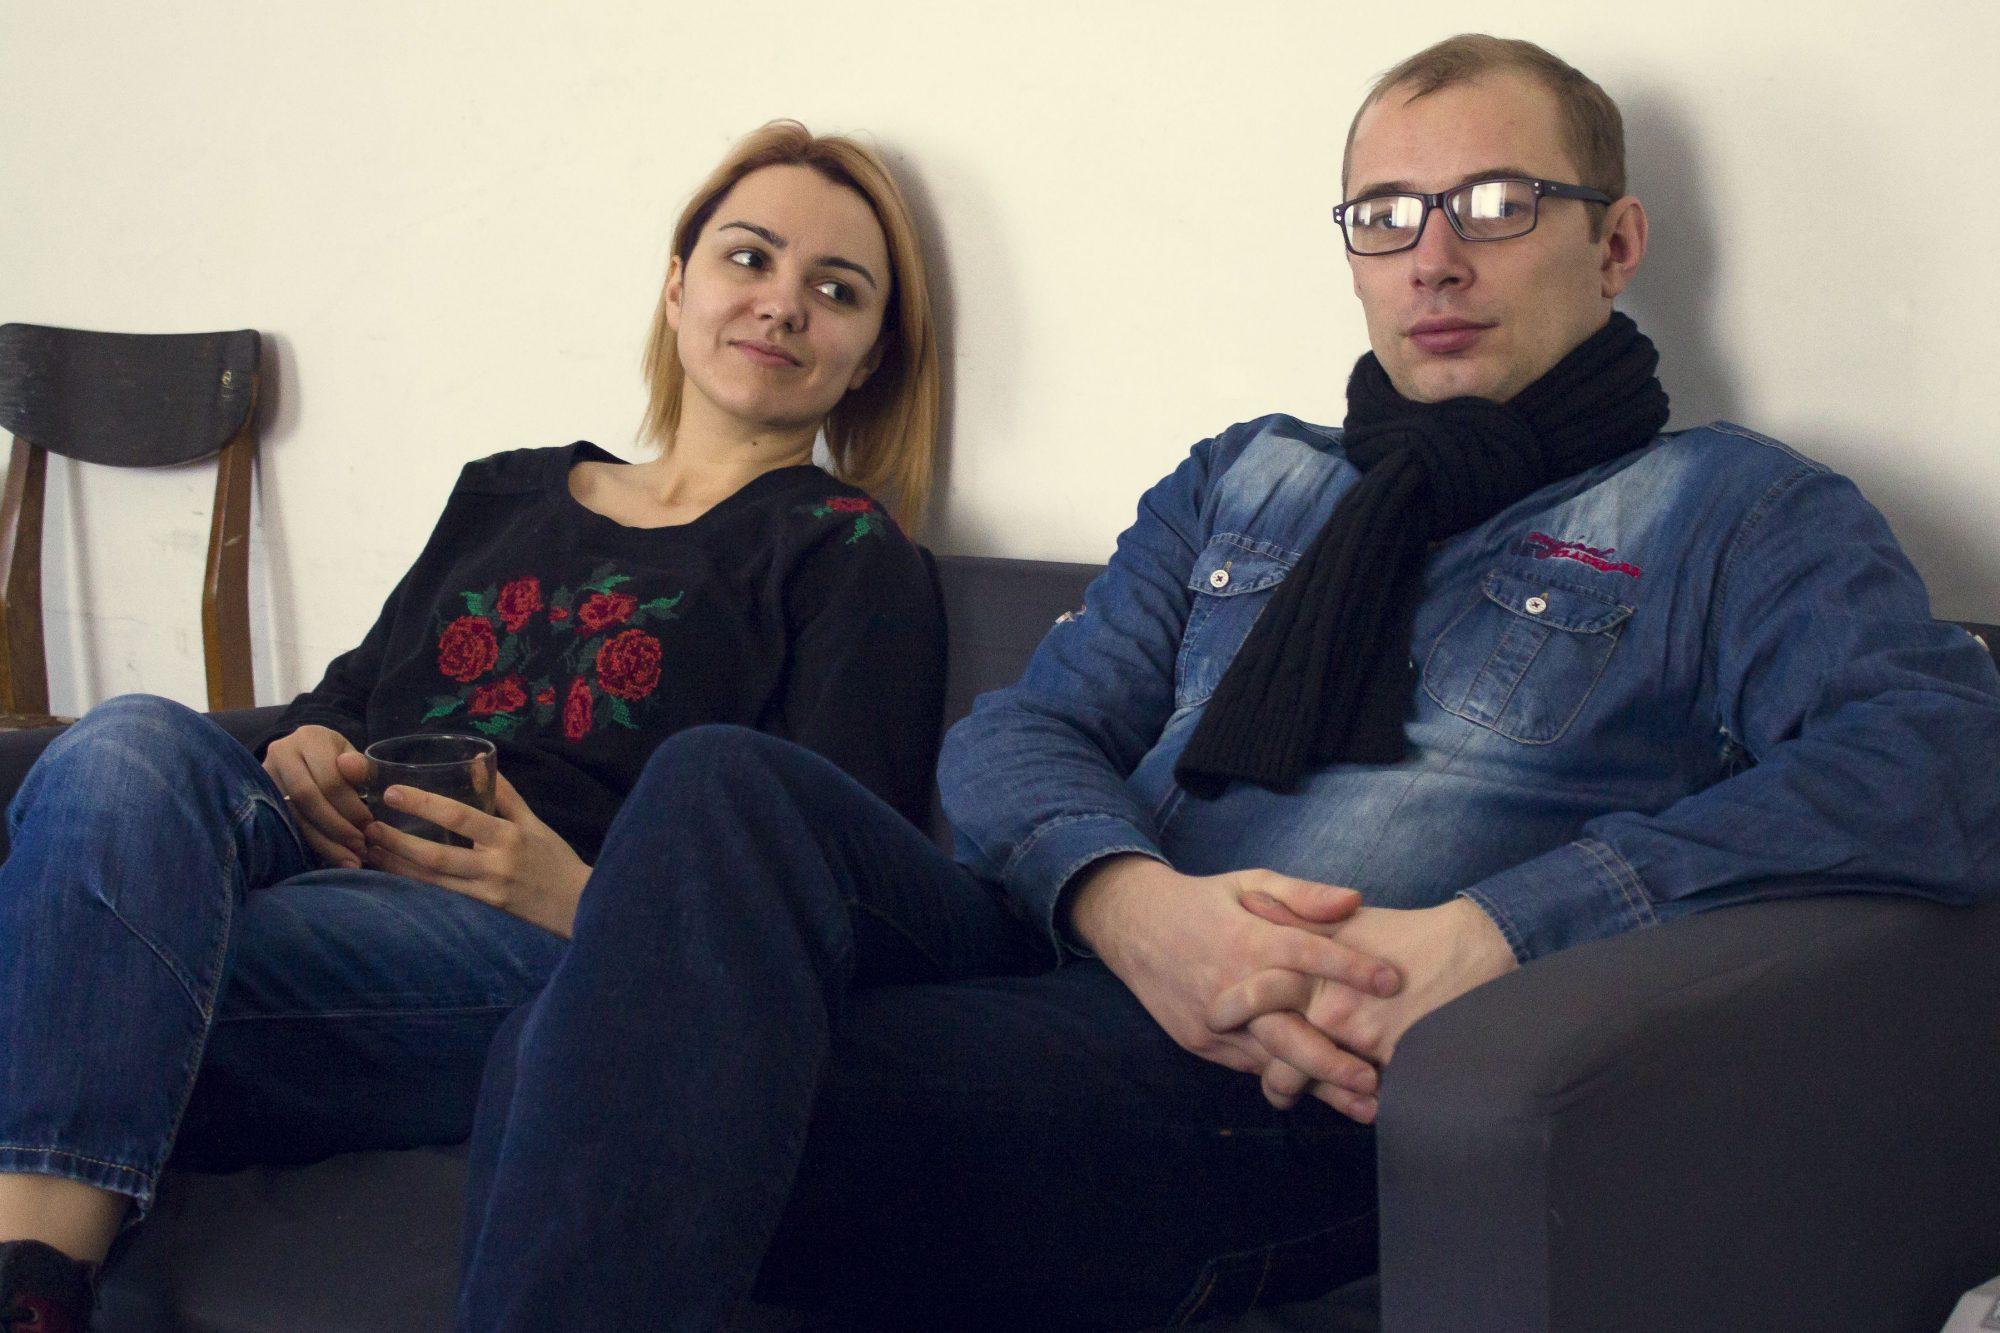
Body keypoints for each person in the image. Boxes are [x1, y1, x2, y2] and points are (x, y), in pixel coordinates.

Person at [450, 34, 2000, 1332]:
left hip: (1294, 1076)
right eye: (1385, 215)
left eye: (1496, 203)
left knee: (566, 1062)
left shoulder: (1736, 511)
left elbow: (1944, 756)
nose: (1434, 256)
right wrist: (1139, 909)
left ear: (1616, 242)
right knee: (718, 782)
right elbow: (1027, 732)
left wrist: (1499, 932)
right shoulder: (1250, 478)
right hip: (1081, 948)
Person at [0, 120, 950, 1331]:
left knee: (94, 938)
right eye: (748, 258)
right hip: (317, 844)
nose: (780, 303)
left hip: (537, 942)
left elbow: (820, 886)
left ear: (869, 359)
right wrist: (301, 745)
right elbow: (349, 694)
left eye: (835, 289)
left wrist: (581, 898)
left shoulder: (850, 554)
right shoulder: (504, 488)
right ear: (677, 287)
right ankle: (33, 1283)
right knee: (127, 738)